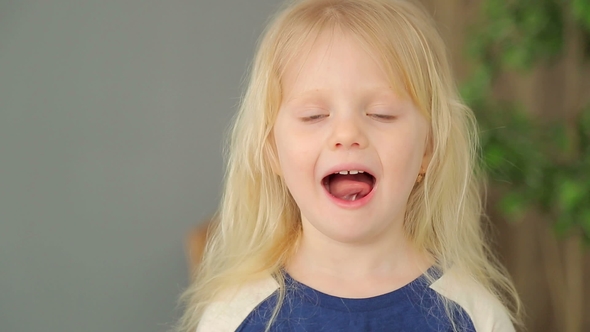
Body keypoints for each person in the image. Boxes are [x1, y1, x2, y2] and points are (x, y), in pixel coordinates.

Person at [176, 0, 522, 331]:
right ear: (272, 151)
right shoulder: (235, 318)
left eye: (380, 113)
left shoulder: (474, 316)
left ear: (428, 149)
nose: (347, 134)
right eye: (314, 115)